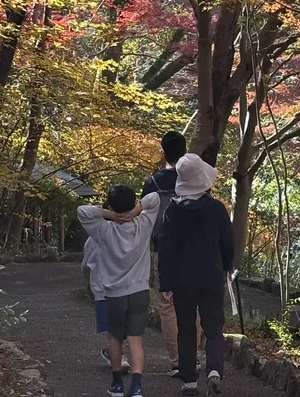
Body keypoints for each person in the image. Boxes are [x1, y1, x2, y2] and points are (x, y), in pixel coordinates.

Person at [159, 154, 234, 397]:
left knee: (187, 329)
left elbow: (166, 249)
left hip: (182, 280)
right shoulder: (216, 208)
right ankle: (214, 371)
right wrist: (227, 266)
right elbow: (227, 242)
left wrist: (165, 283)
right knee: (213, 328)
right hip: (211, 275)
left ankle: (189, 380)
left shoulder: (172, 211)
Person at [78, 186, 160, 397]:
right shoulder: (144, 225)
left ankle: (116, 384)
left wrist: (110, 214)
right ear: (133, 203)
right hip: (140, 290)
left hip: (114, 293)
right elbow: (154, 198)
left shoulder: (103, 231)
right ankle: (137, 386)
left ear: (111, 205)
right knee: (136, 339)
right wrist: (136, 210)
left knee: (115, 338)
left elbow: (83, 211)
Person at [141, 130, 187, 376]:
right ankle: (193, 356)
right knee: (192, 301)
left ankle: (177, 360)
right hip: (193, 248)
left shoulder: (153, 182)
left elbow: (143, 215)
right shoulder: (195, 179)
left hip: (163, 246)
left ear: (163, 152)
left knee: (168, 303)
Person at [82, 235, 131, 373]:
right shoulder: (126, 235)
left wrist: (89, 279)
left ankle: (118, 356)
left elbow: (86, 265)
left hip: (102, 288)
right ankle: (119, 354)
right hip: (125, 287)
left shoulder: (92, 239)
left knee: (111, 327)